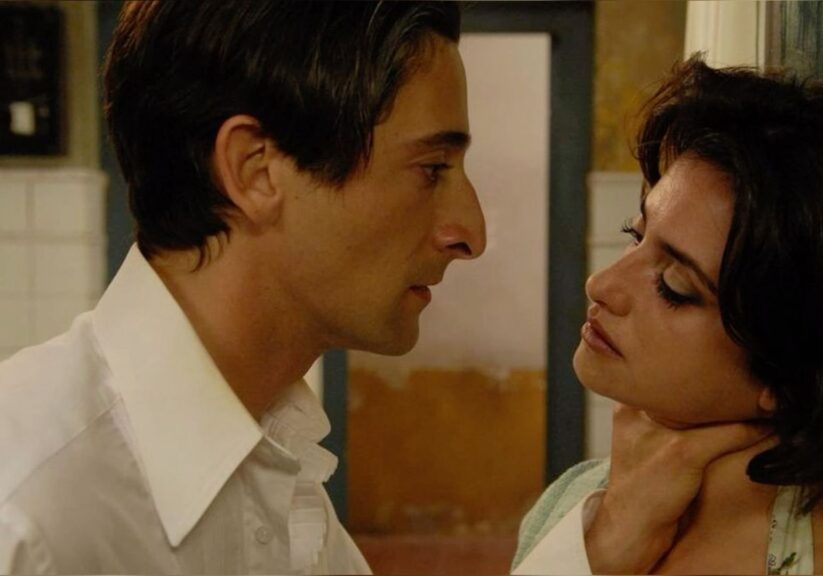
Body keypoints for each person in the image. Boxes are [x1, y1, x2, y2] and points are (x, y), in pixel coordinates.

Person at [0, 2, 490, 573]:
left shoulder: (281, 476)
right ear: (254, 170)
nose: (470, 233)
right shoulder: (26, 515)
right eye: (431, 168)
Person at [512, 55, 823, 574]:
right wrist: (607, 540)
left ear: (789, 373)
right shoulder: (574, 501)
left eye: (674, 287)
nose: (601, 284)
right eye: (636, 234)